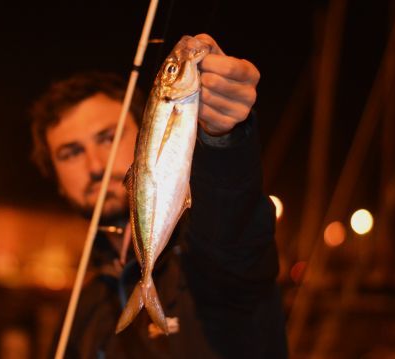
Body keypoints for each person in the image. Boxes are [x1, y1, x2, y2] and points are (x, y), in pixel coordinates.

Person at [30, 34, 288, 358]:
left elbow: (236, 227)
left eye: (108, 138)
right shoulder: (79, 312)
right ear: (55, 178)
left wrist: (224, 138)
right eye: (70, 153)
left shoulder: (211, 258)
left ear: (147, 130)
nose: (96, 165)